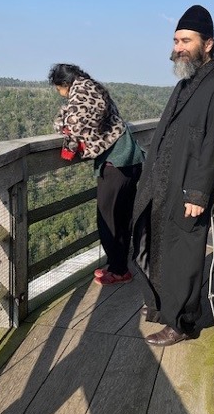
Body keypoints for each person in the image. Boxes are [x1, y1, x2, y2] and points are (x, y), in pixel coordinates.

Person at [132, 5, 214, 346]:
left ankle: (183, 322)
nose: (178, 47)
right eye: (176, 40)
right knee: (160, 247)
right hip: (163, 186)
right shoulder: (186, 83)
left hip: (188, 190)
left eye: (186, 40)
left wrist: (198, 193)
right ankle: (163, 307)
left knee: (185, 256)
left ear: (208, 44)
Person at [49, 63, 144, 285]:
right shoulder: (93, 88)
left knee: (108, 218)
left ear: (64, 84)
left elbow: (75, 124)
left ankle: (120, 271)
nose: (62, 96)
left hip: (116, 163)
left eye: (59, 90)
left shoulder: (83, 92)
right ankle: (119, 266)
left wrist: (64, 125)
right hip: (128, 159)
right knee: (121, 216)